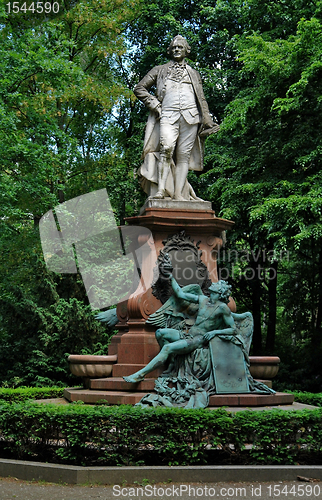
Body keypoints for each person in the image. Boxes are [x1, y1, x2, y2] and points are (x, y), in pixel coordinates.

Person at [134, 35, 219, 201]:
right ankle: (160, 191)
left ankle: (179, 194)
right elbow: (140, 88)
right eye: (174, 47)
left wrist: (207, 119)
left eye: (180, 47)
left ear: (186, 50)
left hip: (191, 117)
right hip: (167, 114)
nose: (176, 50)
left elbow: (201, 98)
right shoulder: (159, 70)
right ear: (169, 51)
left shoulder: (194, 73)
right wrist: (155, 105)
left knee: (183, 156)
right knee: (166, 149)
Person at [123, 275, 237, 383]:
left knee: (167, 348)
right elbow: (180, 294)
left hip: (198, 340)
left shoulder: (223, 308)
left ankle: (140, 375)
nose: (212, 290)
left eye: (215, 290)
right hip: (188, 333)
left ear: (220, 293)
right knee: (160, 333)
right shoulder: (203, 300)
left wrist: (215, 332)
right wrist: (171, 277)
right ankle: (172, 364)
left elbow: (233, 329)